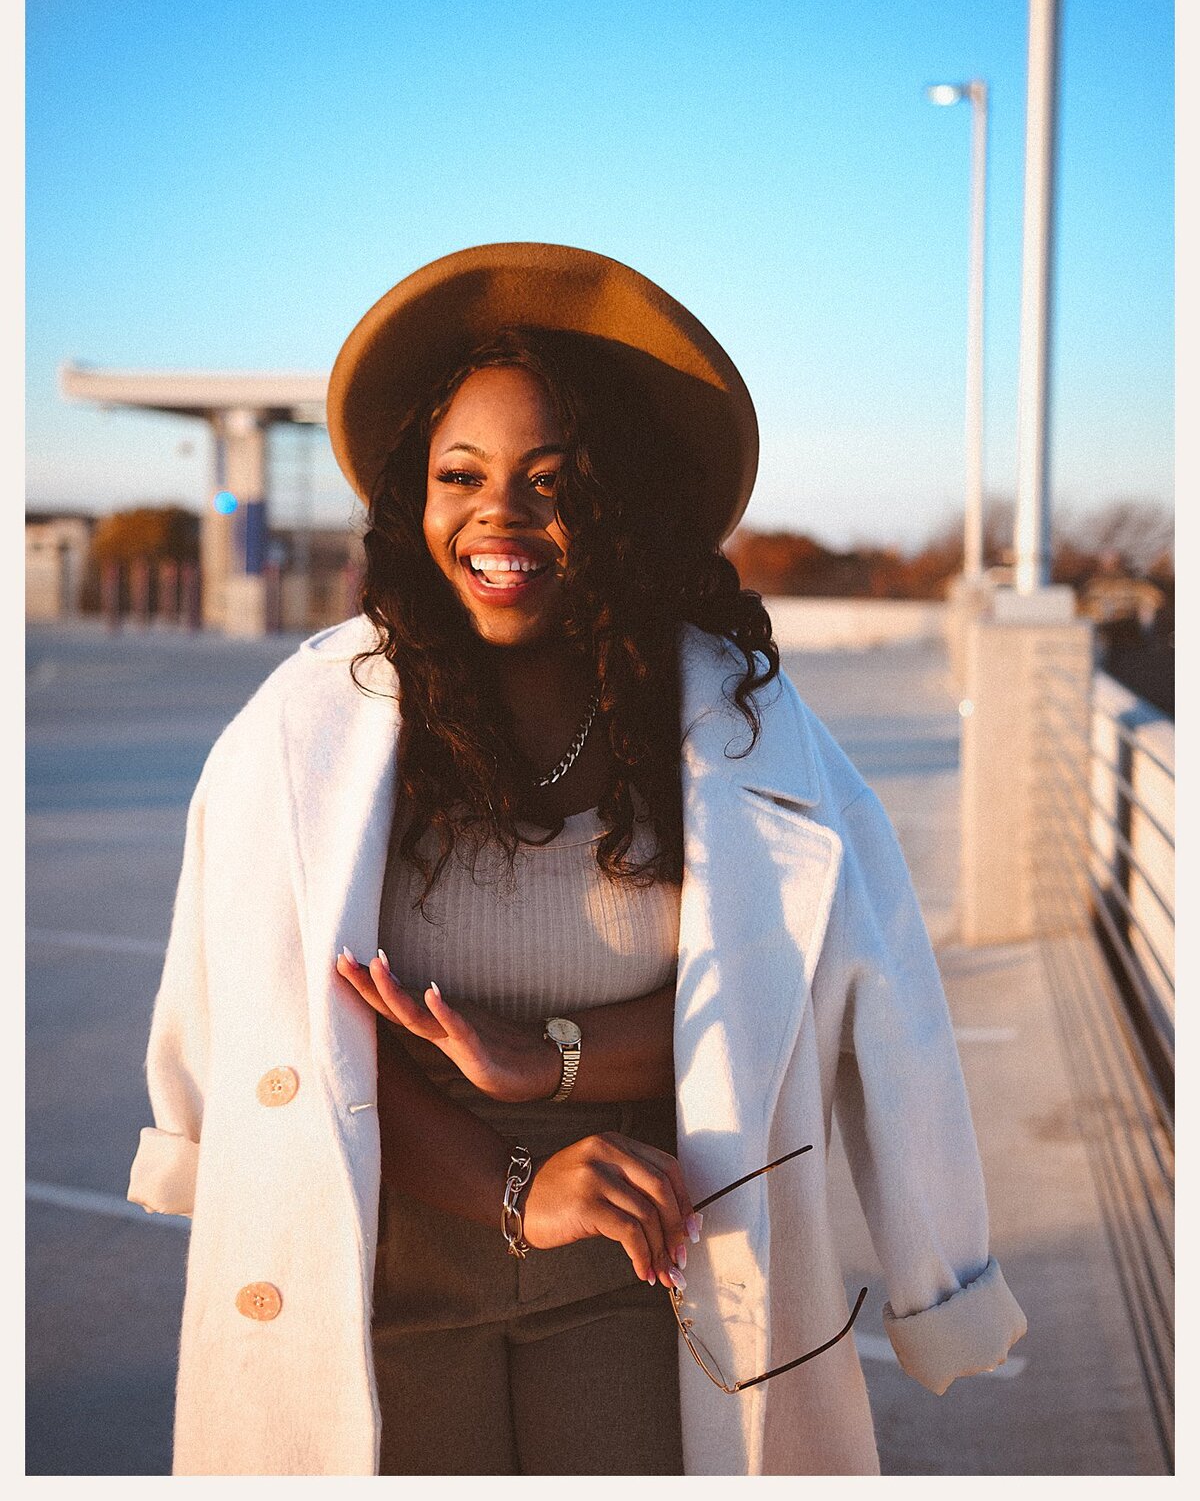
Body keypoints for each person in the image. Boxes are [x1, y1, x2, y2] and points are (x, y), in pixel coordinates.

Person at [128, 242, 1027, 1477]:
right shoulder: (306, 725)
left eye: (554, 481)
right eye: (462, 474)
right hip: (377, 1264)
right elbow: (285, 1029)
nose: (501, 515)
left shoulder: (738, 726)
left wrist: (543, 1065)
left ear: (624, 504)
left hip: (652, 1258)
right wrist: (514, 1183)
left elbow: (818, 994)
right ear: (415, 499)